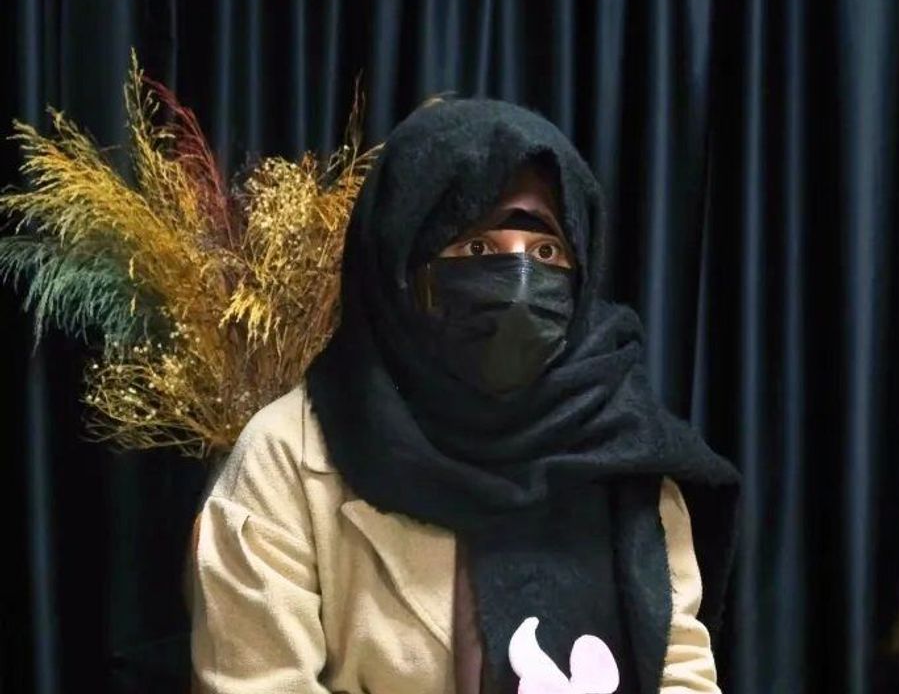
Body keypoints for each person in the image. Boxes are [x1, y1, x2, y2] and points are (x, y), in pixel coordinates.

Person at [188, 98, 740, 694]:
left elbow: (681, 671)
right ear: (404, 265)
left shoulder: (623, 451)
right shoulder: (288, 458)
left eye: (546, 252)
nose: (519, 287)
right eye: (478, 249)